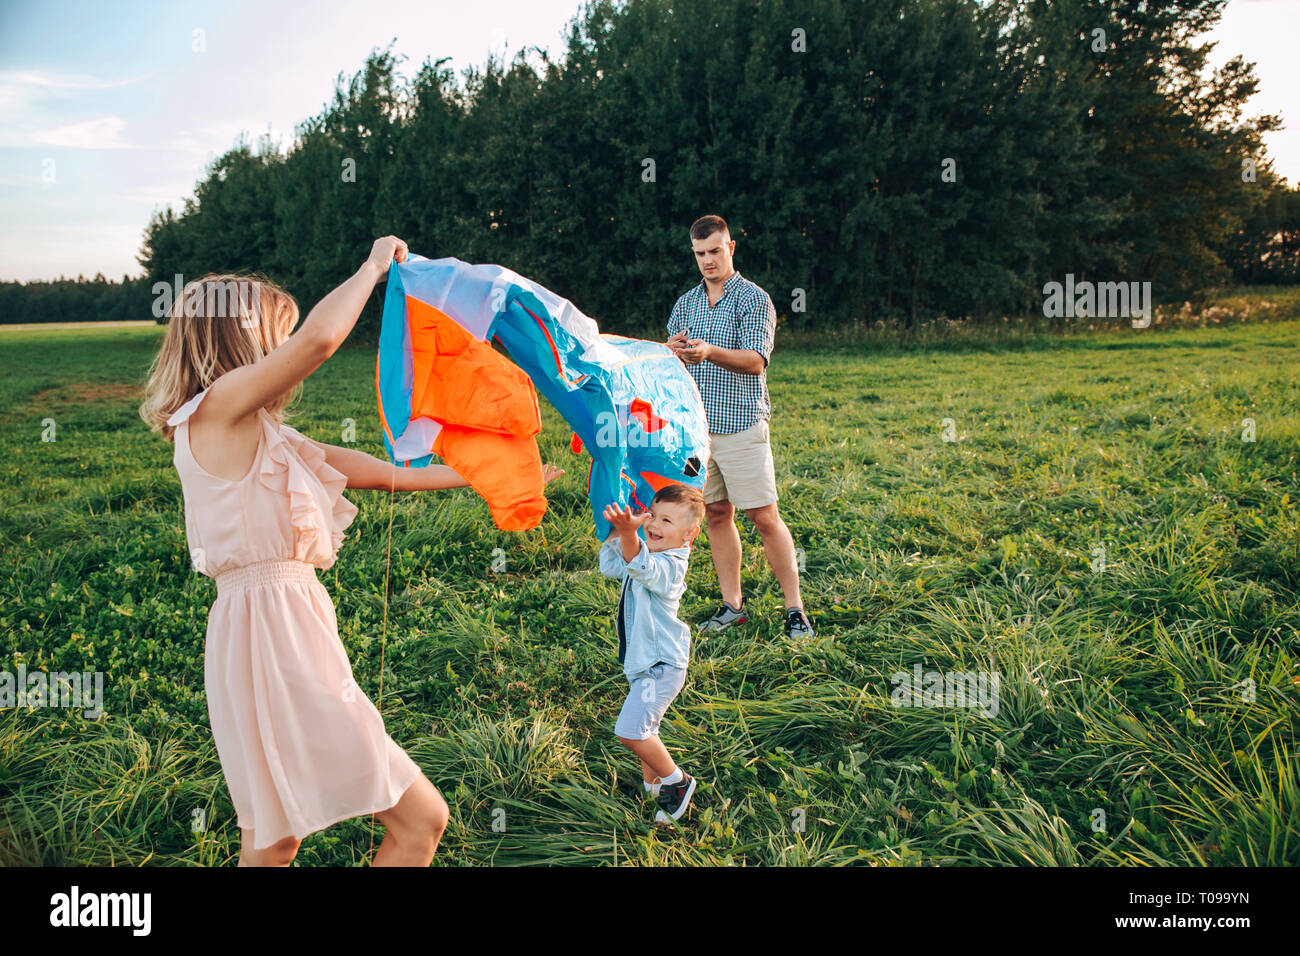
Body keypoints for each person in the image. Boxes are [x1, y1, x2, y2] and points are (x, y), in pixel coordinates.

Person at [139, 236, 563, 866]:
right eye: (273, 337)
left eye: (282, 338)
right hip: (268, 635)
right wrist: (371, 266)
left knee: (275, 839)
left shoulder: (266, 436)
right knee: (409, 819)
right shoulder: (213, 415)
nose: (284, 349)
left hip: (285, 626)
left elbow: (387, 473)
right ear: (234, 342)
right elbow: (319, 342)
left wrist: (494, 475)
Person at [666, 214, 815, 639]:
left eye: (715, 251)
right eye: (699, 254)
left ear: (730, 248)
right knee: (714, 513)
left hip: (741, 425)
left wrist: (709, 351)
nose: (707, 260)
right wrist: (672, 350)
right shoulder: (685, 304)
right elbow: (675, 358)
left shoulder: (754, 299)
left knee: (764, 516)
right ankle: (733, 605)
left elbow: (755, 361)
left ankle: (795, 609)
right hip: (697, 429)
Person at [597, 484, 705, 824]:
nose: (655, 525)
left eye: (667, 521)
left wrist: (631, 536)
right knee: (647, 729)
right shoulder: (648, 550)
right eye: (653, 516)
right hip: (644, 665)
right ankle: (653, 789)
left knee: (630, 732)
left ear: (690, 534)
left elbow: (642, 568)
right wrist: (619, 530)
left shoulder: (671, 565)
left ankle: (678, 782)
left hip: (662, 666)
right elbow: (613, 567)